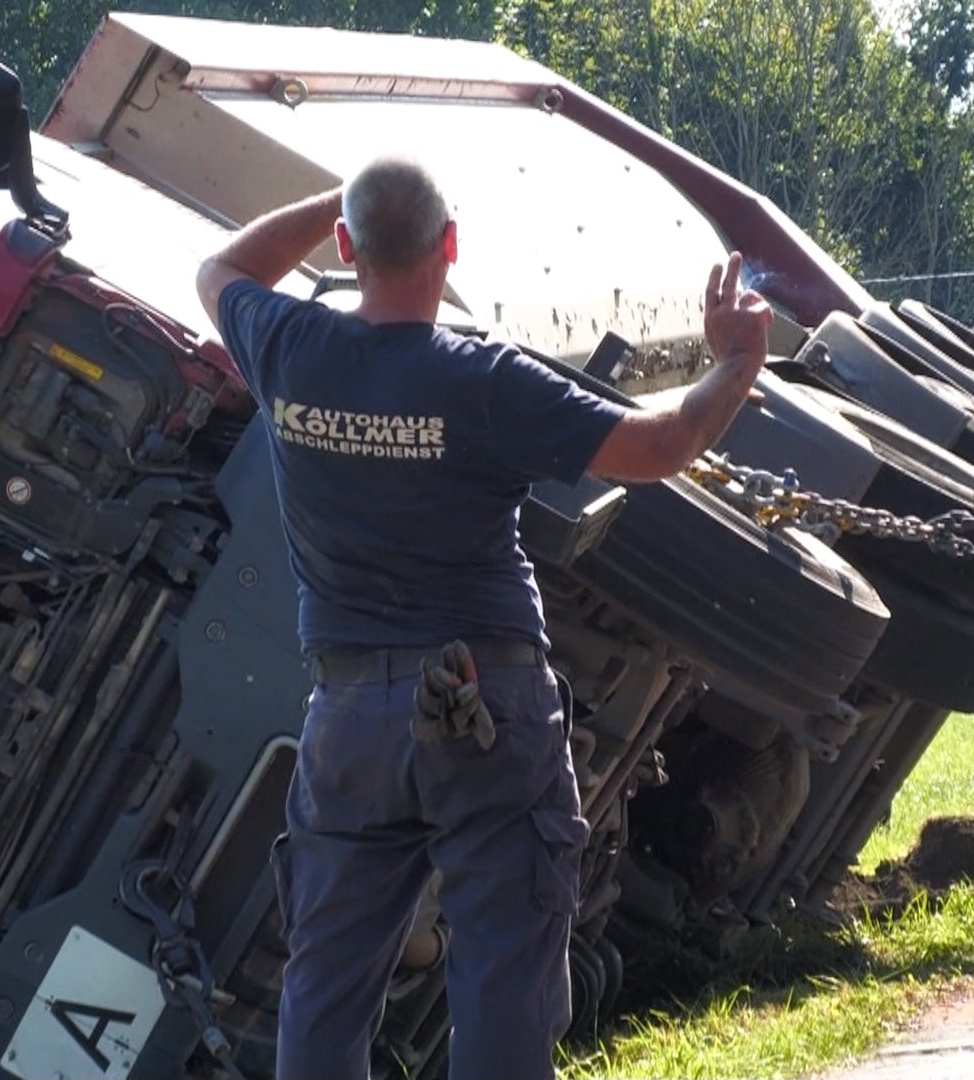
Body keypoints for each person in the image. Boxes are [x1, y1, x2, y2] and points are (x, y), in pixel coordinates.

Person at [194, 156, 773, 1080]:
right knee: (503, 973)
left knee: (326, 986)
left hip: (347, 720)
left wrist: (337, 197)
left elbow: (218, 269)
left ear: (346, 249)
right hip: (483, 704)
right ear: (450, 247)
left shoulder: (288, 348)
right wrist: (738, 358)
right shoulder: (484, 380)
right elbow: (658, 445)